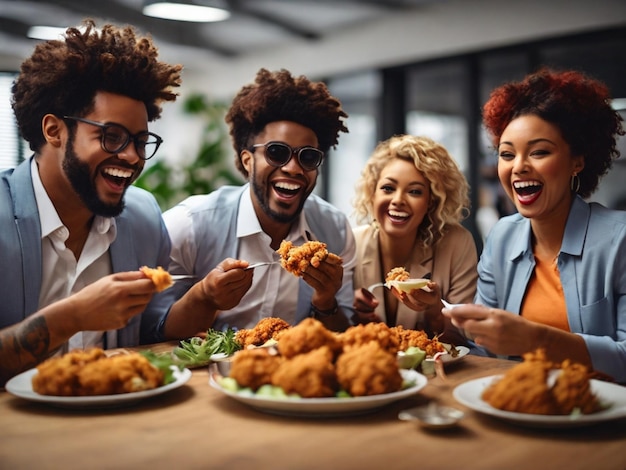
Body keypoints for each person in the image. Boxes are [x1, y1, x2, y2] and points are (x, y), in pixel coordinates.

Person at [0, 19, 182, 385]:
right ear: (54, 130)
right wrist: (72, 317)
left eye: (140, 141)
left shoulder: (144, 218)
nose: (132, 156)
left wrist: (207, 299)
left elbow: (155, 334)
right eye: (111, 136)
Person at [444, 68, 626, 383]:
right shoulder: (502, 236)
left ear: (577, 161)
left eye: (539, 152)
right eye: (506, 154)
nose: (518, 167)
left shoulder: (620, 239)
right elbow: (484, 350)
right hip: (520, 408)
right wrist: (450, 349)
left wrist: (536, 341)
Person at [145, 68, 355, 338]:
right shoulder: (189, 224)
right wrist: (204, 297)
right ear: (247, 161)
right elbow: (153, 330)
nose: (293, 168)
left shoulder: (334, 230)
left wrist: (325, 300)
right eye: (277, 152)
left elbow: (345, 334)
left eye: (308, 157)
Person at [351, 134, 478, 344]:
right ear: (373, 193)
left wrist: (435, 312)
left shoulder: (457, 244)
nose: (398, 200)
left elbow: (467, 339)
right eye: (388, 188)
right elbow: (333, 324)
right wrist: (348, 308)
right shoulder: (353, 243)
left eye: (415, 192)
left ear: (431, 202)